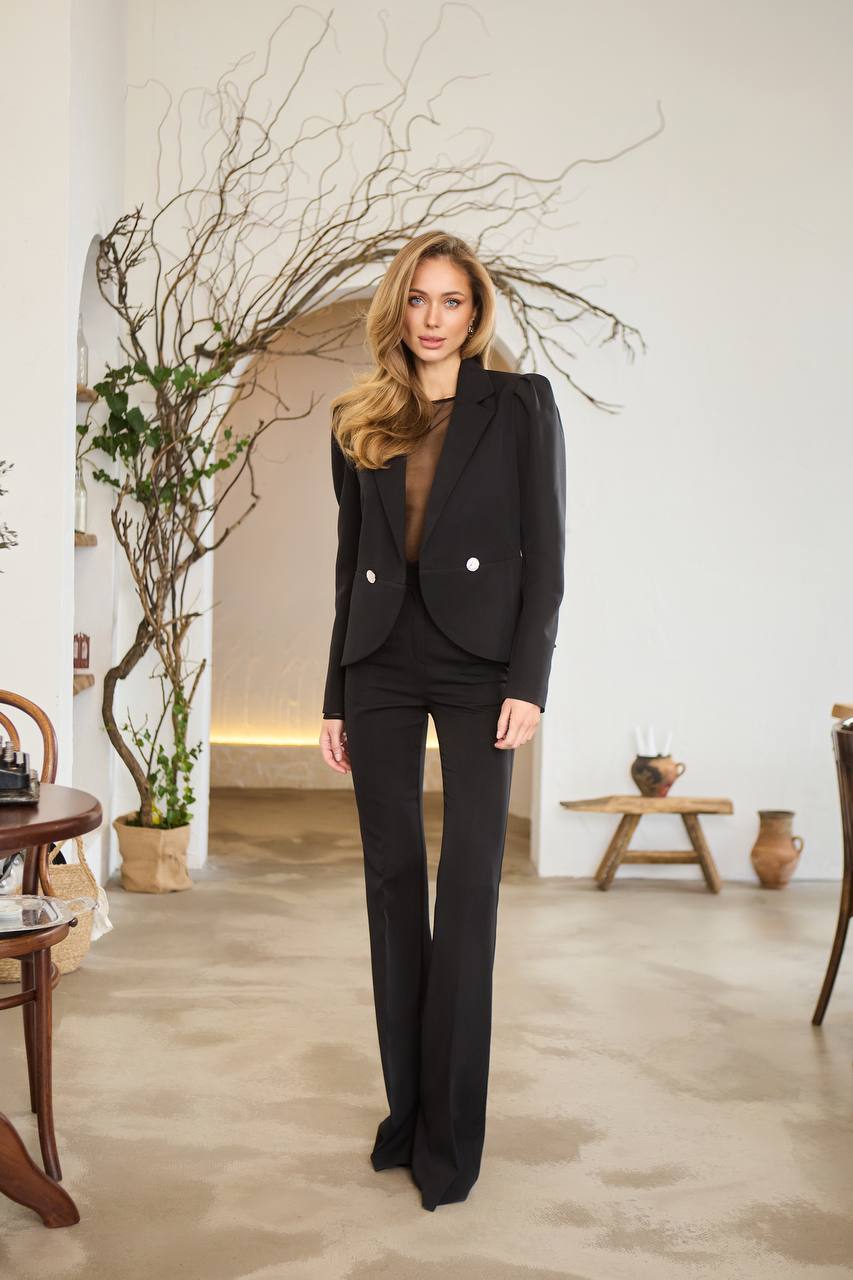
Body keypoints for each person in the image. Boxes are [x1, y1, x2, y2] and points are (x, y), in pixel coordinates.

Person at [318, 230, 566, 1211]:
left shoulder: (520, 404)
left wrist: (528, 679)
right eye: (417, 299)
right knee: (390, 883)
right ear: (398, 308)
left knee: (467, 888)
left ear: (476, 312)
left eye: (450, 301)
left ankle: (451, 1139)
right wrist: (334, 692)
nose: (430, 317)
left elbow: (545, 553)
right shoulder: (359, 415)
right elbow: (347, 565)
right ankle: (406, 1113)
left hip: (478, 667)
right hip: (379, 656)